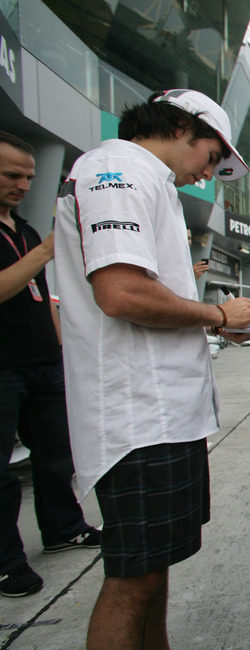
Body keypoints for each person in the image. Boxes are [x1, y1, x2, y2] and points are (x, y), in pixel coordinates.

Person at [54, 89, 250, 648]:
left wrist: (223, 323)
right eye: (213, 158)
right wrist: (217, 313)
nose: (209, 174)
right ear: (180, 127)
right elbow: (121, 293)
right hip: (140, 414)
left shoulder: (147, 181)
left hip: (164, 414)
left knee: (153, 567)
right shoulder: (115, 170)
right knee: (132, 578)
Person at [0, 131, 100, 599]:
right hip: (4, 367)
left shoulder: (22, 229)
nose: (22, 185)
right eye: (11, 175)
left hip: (42, 361)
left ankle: (64, 528)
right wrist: (44, 251)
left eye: (29, 177)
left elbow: (45, 300)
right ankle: (6, 561)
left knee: (57, 455)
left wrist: (62, 352)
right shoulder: (32, 241)